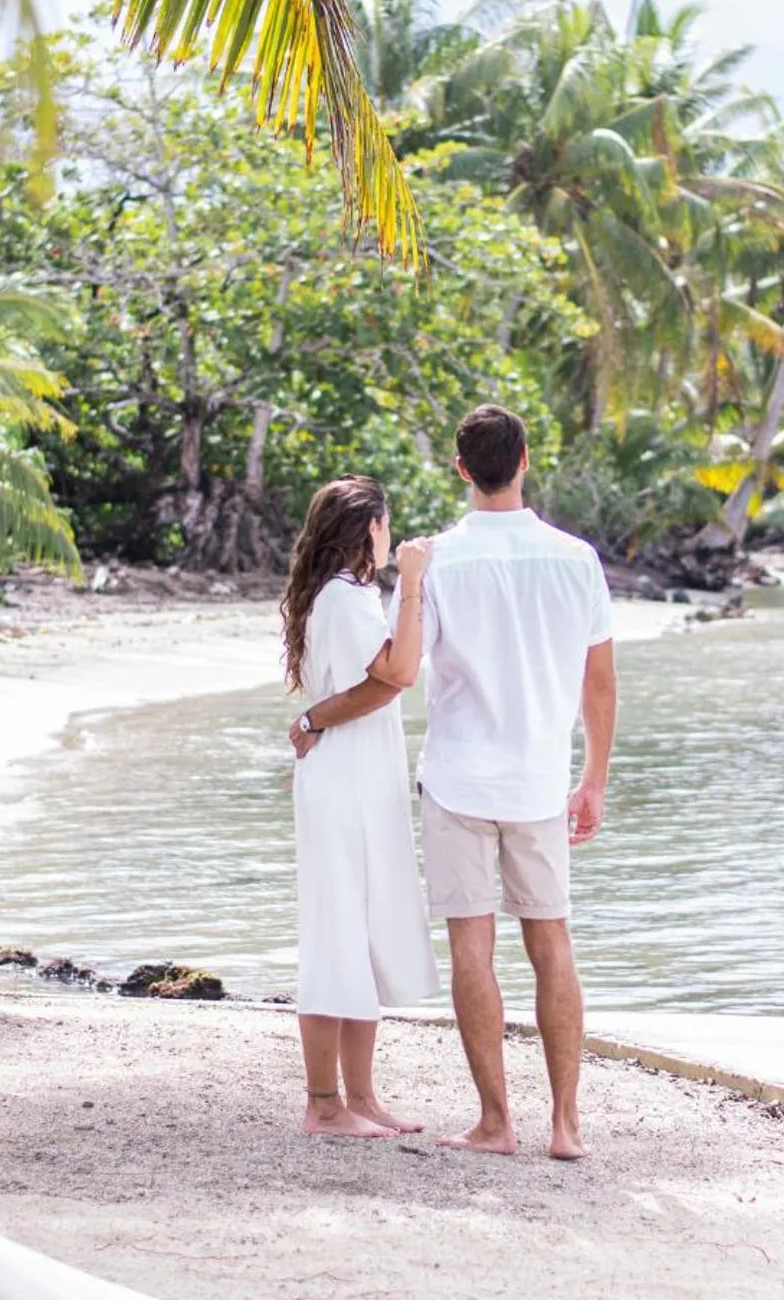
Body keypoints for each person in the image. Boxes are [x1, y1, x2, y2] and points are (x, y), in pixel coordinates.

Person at [295, 407, 618, 1160]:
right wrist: (594, 779)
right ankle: (565, 1125)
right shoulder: (577, 559)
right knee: (552, 943)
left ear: (461, 468)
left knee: (473, 950)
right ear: (526, 460)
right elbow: (599, 681)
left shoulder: (437, 560)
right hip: (539, 780)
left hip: (459, 780)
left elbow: (400, 670)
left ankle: (496, 1123)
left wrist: (314, 717)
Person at [279, 475, 438, 1139]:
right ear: (370, 529)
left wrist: (313, 717)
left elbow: (379, 682)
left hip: (359, 779)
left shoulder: (346, 595)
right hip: (343, 783)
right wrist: (413, 581)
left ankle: (361, 1097)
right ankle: (323, 1104)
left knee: (363, 931)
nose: (390, 535)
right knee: (336, 933)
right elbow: (395, 677)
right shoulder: (345, 599)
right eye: (386, 524)